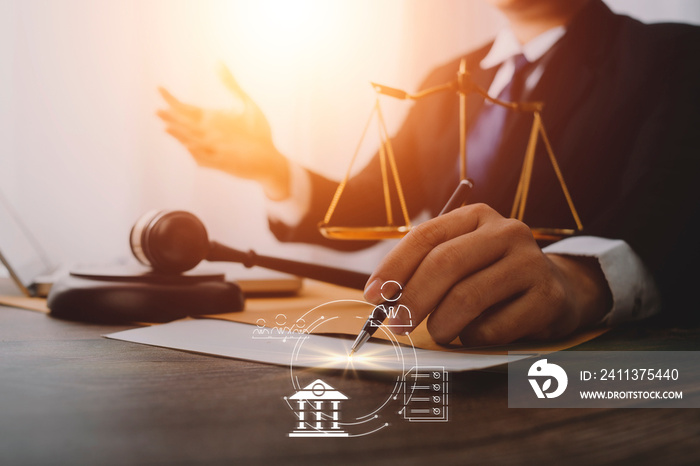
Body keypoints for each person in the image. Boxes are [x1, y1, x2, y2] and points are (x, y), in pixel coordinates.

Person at [157, 0, 700, 346]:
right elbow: (371, 202)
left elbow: (668, 216)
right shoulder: (447, 80)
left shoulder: (672, 55)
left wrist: (575, 282)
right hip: (447, 351)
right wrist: (271, 167)